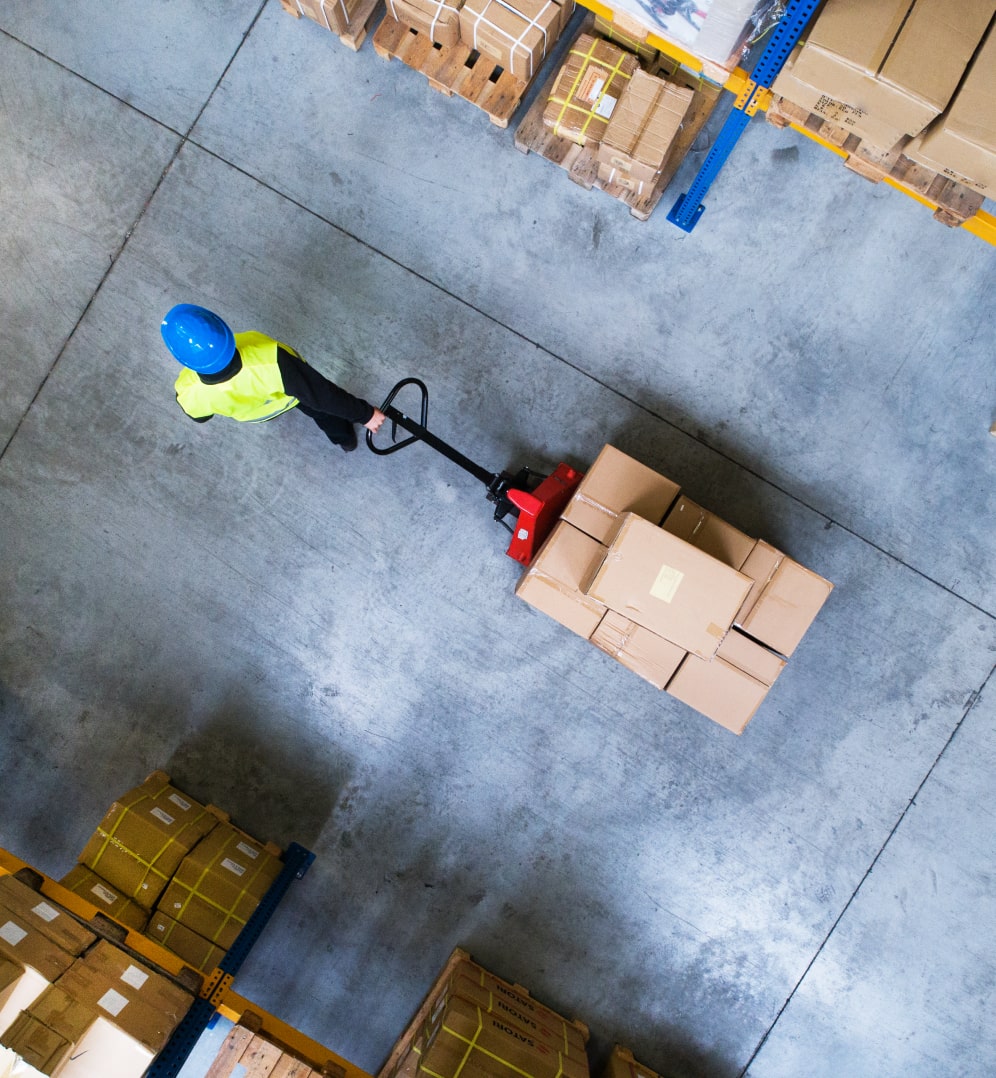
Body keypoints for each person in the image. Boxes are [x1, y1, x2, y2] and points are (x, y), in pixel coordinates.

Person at [161, 304, 386, 452]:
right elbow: (323, 395)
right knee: (321, 411)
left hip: (259, 413)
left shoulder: (188, 391)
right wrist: (365, 414)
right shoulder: (272, 362)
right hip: (290, 397)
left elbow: (200, 417)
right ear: (223, 331)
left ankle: (345, 442)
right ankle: (344, 439)